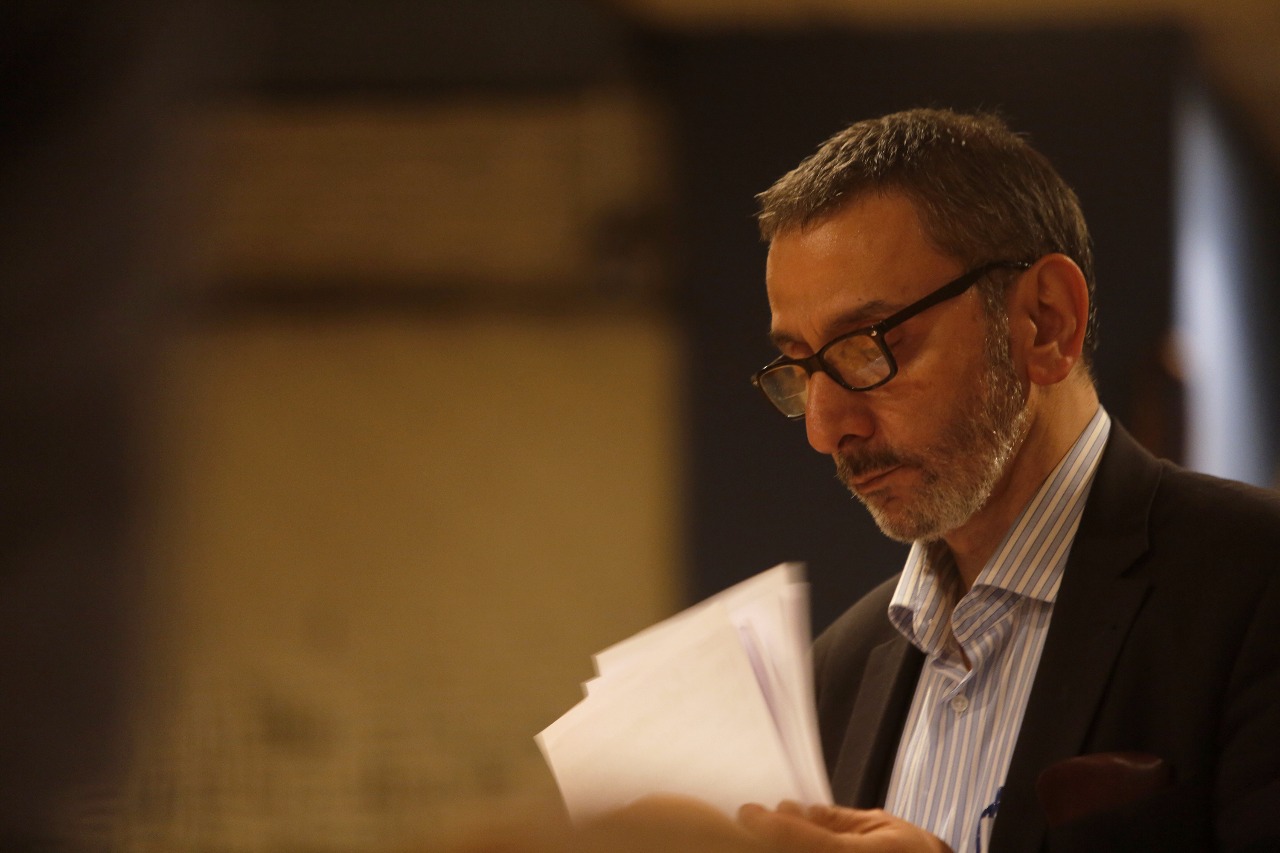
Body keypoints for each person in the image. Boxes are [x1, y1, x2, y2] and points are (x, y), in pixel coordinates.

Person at [735, 109, 1280, 852]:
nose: (826, 429)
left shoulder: (1255, 586)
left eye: (867, 347)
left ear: (1045, 322)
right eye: (801, 368)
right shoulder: (836, 673)